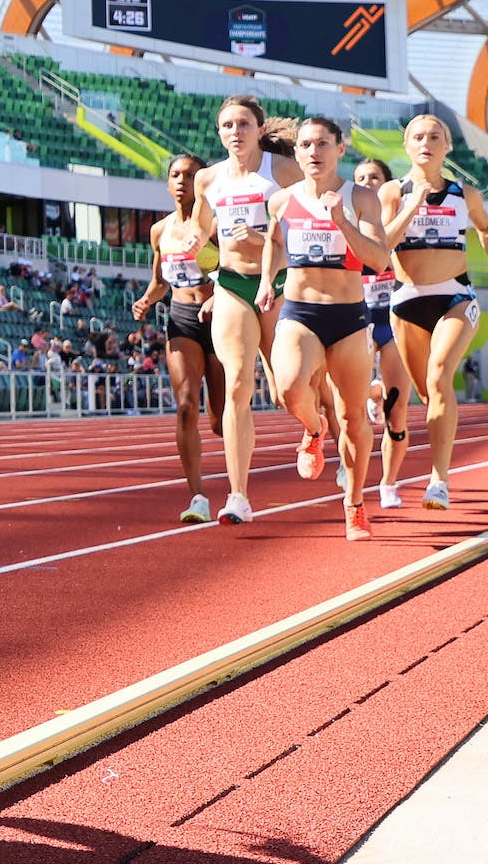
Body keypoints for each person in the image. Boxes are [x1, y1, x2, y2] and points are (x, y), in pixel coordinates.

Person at [255, 116, 394, 542]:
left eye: (322, 144)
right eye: (305, 145)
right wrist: (266, 281)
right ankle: (314, 430)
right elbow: (274, 242)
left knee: (353, 419)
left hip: (349, 317)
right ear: (296, 152)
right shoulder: (282, 200)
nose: (313, 152)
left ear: (339, 149)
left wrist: (342, 221)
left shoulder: (360, 197)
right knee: (287, 388)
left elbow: (379, 260)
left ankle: (355, 505)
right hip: (300, 312)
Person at [380, 114, 488, 510]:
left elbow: (487, 227)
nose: (426, 143)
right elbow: (381, 244)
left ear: (447, 146)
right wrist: (412, 205)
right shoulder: (392, 191)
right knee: (426, 393)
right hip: (406, 300)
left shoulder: (464, 194)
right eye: (418, 136)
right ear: (407, 146)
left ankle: (439, 479)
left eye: (435, 136)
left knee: (439, 377)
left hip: (456, 296)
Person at [192, 96, 295, 527]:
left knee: (286, 390)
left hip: (279, 283)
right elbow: (202, 231)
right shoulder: (207, 179)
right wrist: (202, 250)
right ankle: (238, 496)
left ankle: (317, 428)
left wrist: (262, 238)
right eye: (228, 125)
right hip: (233, 285)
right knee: (237, 382)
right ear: (219, 132)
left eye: (244, 124)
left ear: (259, 129)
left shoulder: (282, 170)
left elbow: (306, 226)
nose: (235, 132)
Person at [132, 153, 226, 524]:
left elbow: (236, 268)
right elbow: (159, 282)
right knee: (186, 406)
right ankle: (198, 497)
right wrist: (146, 299)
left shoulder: (215, 225)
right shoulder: (160, 231)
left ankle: (237, 487)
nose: (182, 181)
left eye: (190, 175)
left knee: (220, 420)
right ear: (168, 182)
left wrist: (219, 294)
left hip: (220, 319)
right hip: (182, 319)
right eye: (176, 175)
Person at [351, 157, 420, 508]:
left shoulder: (404, 225)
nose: (367, 183)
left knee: (397, 410)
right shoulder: (346, 223)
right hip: (356, 321)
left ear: (388, 184)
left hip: (394, 321)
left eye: (374, 177)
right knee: (349, 403)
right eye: (360, 178)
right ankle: (371, 392)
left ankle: (389, 483)